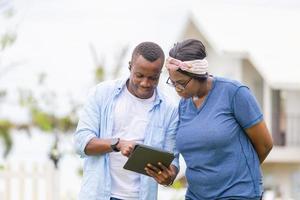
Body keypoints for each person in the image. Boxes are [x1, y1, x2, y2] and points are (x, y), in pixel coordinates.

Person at [165, 39, 273, 200]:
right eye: (172, 83)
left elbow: (265, 145)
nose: (177, 88)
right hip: (196, 195)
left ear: (198, 74)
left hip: (238, 193)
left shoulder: (234, 93)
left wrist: (238, 172)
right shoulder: (183, 106)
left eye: (181, 83)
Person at [74, 41, 179, 200]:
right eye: (139, 75)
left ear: (160, 73)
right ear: (130, 67)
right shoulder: (101, 93)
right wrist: (117, 144)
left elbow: (173, 160)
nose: (145, 83)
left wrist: (168, 177)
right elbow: (81, 143)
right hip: (98, 195)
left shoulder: (170, 109)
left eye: (153, 78)